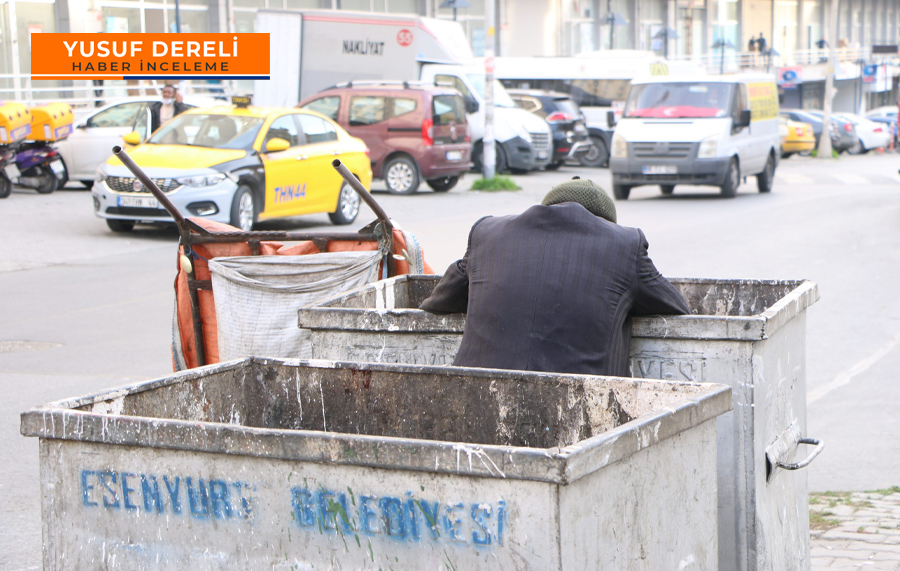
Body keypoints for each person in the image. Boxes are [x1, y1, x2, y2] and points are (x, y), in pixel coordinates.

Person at [419, 178, 689, 377]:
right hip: (582, 414)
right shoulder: (625, 244)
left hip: (474, 400)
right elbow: (677, 308)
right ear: (606, 224)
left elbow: (438, 302)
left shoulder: (487, 233)